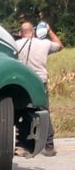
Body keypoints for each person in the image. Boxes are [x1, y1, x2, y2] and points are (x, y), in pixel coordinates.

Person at [14, 19, 63, 156]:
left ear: (20, 32)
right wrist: (49, 30)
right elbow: (60, 45)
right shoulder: (45, 44)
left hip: (23, 83)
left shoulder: (16, 44)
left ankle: (22, 144)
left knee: (22, 112)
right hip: (40, 82)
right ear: (34, 31)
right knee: (44, 112)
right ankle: (49, 146)